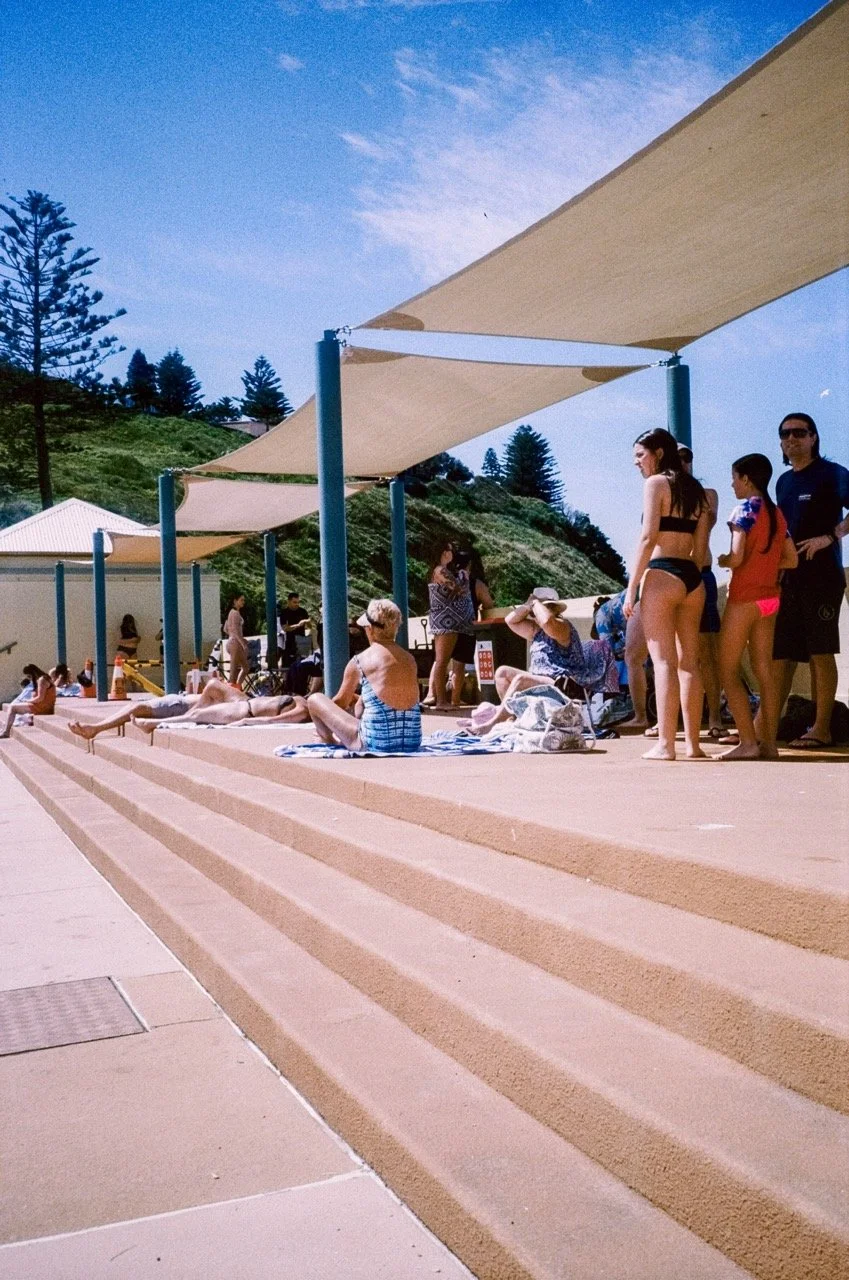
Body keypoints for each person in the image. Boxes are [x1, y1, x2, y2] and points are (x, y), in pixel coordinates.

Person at [624, 428, 711, 761]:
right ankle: (693, 745)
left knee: (662, 662)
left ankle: (665, 744)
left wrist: (632, 588)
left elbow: (648, 539)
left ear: (658, 453)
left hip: (662, 574)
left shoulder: (655, 484)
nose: (637, 463)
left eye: (640, 455)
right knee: (690, 663)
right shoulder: (697, 491)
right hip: (692, 578)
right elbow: (702, 552)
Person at [772, 413, 849, 749]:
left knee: (820, 652)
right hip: (789, 579)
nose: (792, 439)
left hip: (823, 578)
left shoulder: (833, 474)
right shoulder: (784, 482)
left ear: (814, 437)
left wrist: (829, 538)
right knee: (783, 655)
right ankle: (768, 726)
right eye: (785, 434)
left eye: (799, 433)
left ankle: (822, 727)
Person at [717, 453, 798, 760]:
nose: (732, 483)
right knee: (765, 672)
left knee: (726, 669)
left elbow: (736, 557)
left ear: (747, 479)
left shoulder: (743, 509)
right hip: (770, 600)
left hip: (745, 598)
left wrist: (725, 561)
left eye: (735, 477)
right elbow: (791, 559)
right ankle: (770, 744)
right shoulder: (777, 514)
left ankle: (748, 743)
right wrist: (765, 566)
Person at [471, 589, 618, 734]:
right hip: (545, 682)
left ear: (554, 609)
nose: (535, 612)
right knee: (502, 672)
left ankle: (494, 722)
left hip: (565, 684)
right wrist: (528, 604)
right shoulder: (536, 630)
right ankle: (514, 718)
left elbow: (547, 621)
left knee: (521, 679)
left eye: (543, 607)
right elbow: (510, 621)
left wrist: (536, 602)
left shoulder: (562, 626)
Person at [307, 599, 422, 752]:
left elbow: (340, 702)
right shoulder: (410, 659)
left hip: (376, 742)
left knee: (315, 700)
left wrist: (326, 720)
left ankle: (327, 739)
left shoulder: (360, 661)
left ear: (370, 629)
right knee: (363, 698)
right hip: (412, 741)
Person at [679, 445, 723, 739]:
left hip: (700, 574)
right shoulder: (659, 494)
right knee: (673, 652)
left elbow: (706, 522)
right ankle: (676, 719)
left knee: (707, 650)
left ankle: (715, 717)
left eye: (687, 458)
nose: (683, 463)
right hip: (672, 575)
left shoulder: (706, 495)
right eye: (676, 458)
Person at [423, 543, 476, 709]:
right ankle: (441, 701)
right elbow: (458, 588)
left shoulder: (440, 570)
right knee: (442, 661)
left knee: (442, 661)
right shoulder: (441, 570)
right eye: (448, 550)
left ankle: (441, 700)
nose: (450, 552)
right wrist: (464, 576)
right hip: (446, 622)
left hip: (448, 621)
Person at [0, 664, 56, 738]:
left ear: (33, 673)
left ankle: (6, 732)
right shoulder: (45, 678)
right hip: (45, 705)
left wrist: (28, 700)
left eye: (29, 676)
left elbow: (40, 698)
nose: (29, 679)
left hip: (42, 706)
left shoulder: (42, 680)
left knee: (12, 707)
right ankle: (6, 730)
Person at [223, 593, 249, 687]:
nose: (243, 602)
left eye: (243, 600)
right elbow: (235, 630)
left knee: (245, 667)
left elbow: (225, 629)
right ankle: (232, 688)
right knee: (234, 669)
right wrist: (243, 644)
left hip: (232, 641)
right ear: (235, 601)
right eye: (241, 600)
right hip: (235, 643)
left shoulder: (231, 613)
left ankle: (237, 686)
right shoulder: (235, 613)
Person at [278, 592, 311, 666]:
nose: (296, 604)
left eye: (298, 602)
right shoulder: (284, 613)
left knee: (303, 663)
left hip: (302, 641)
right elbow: (285, 628)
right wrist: (298, 625)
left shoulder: (302, 611)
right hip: (290, 641)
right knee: (288, 664)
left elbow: (310, 625)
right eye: (294, 602)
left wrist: (308, 622)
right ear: (289, 601)